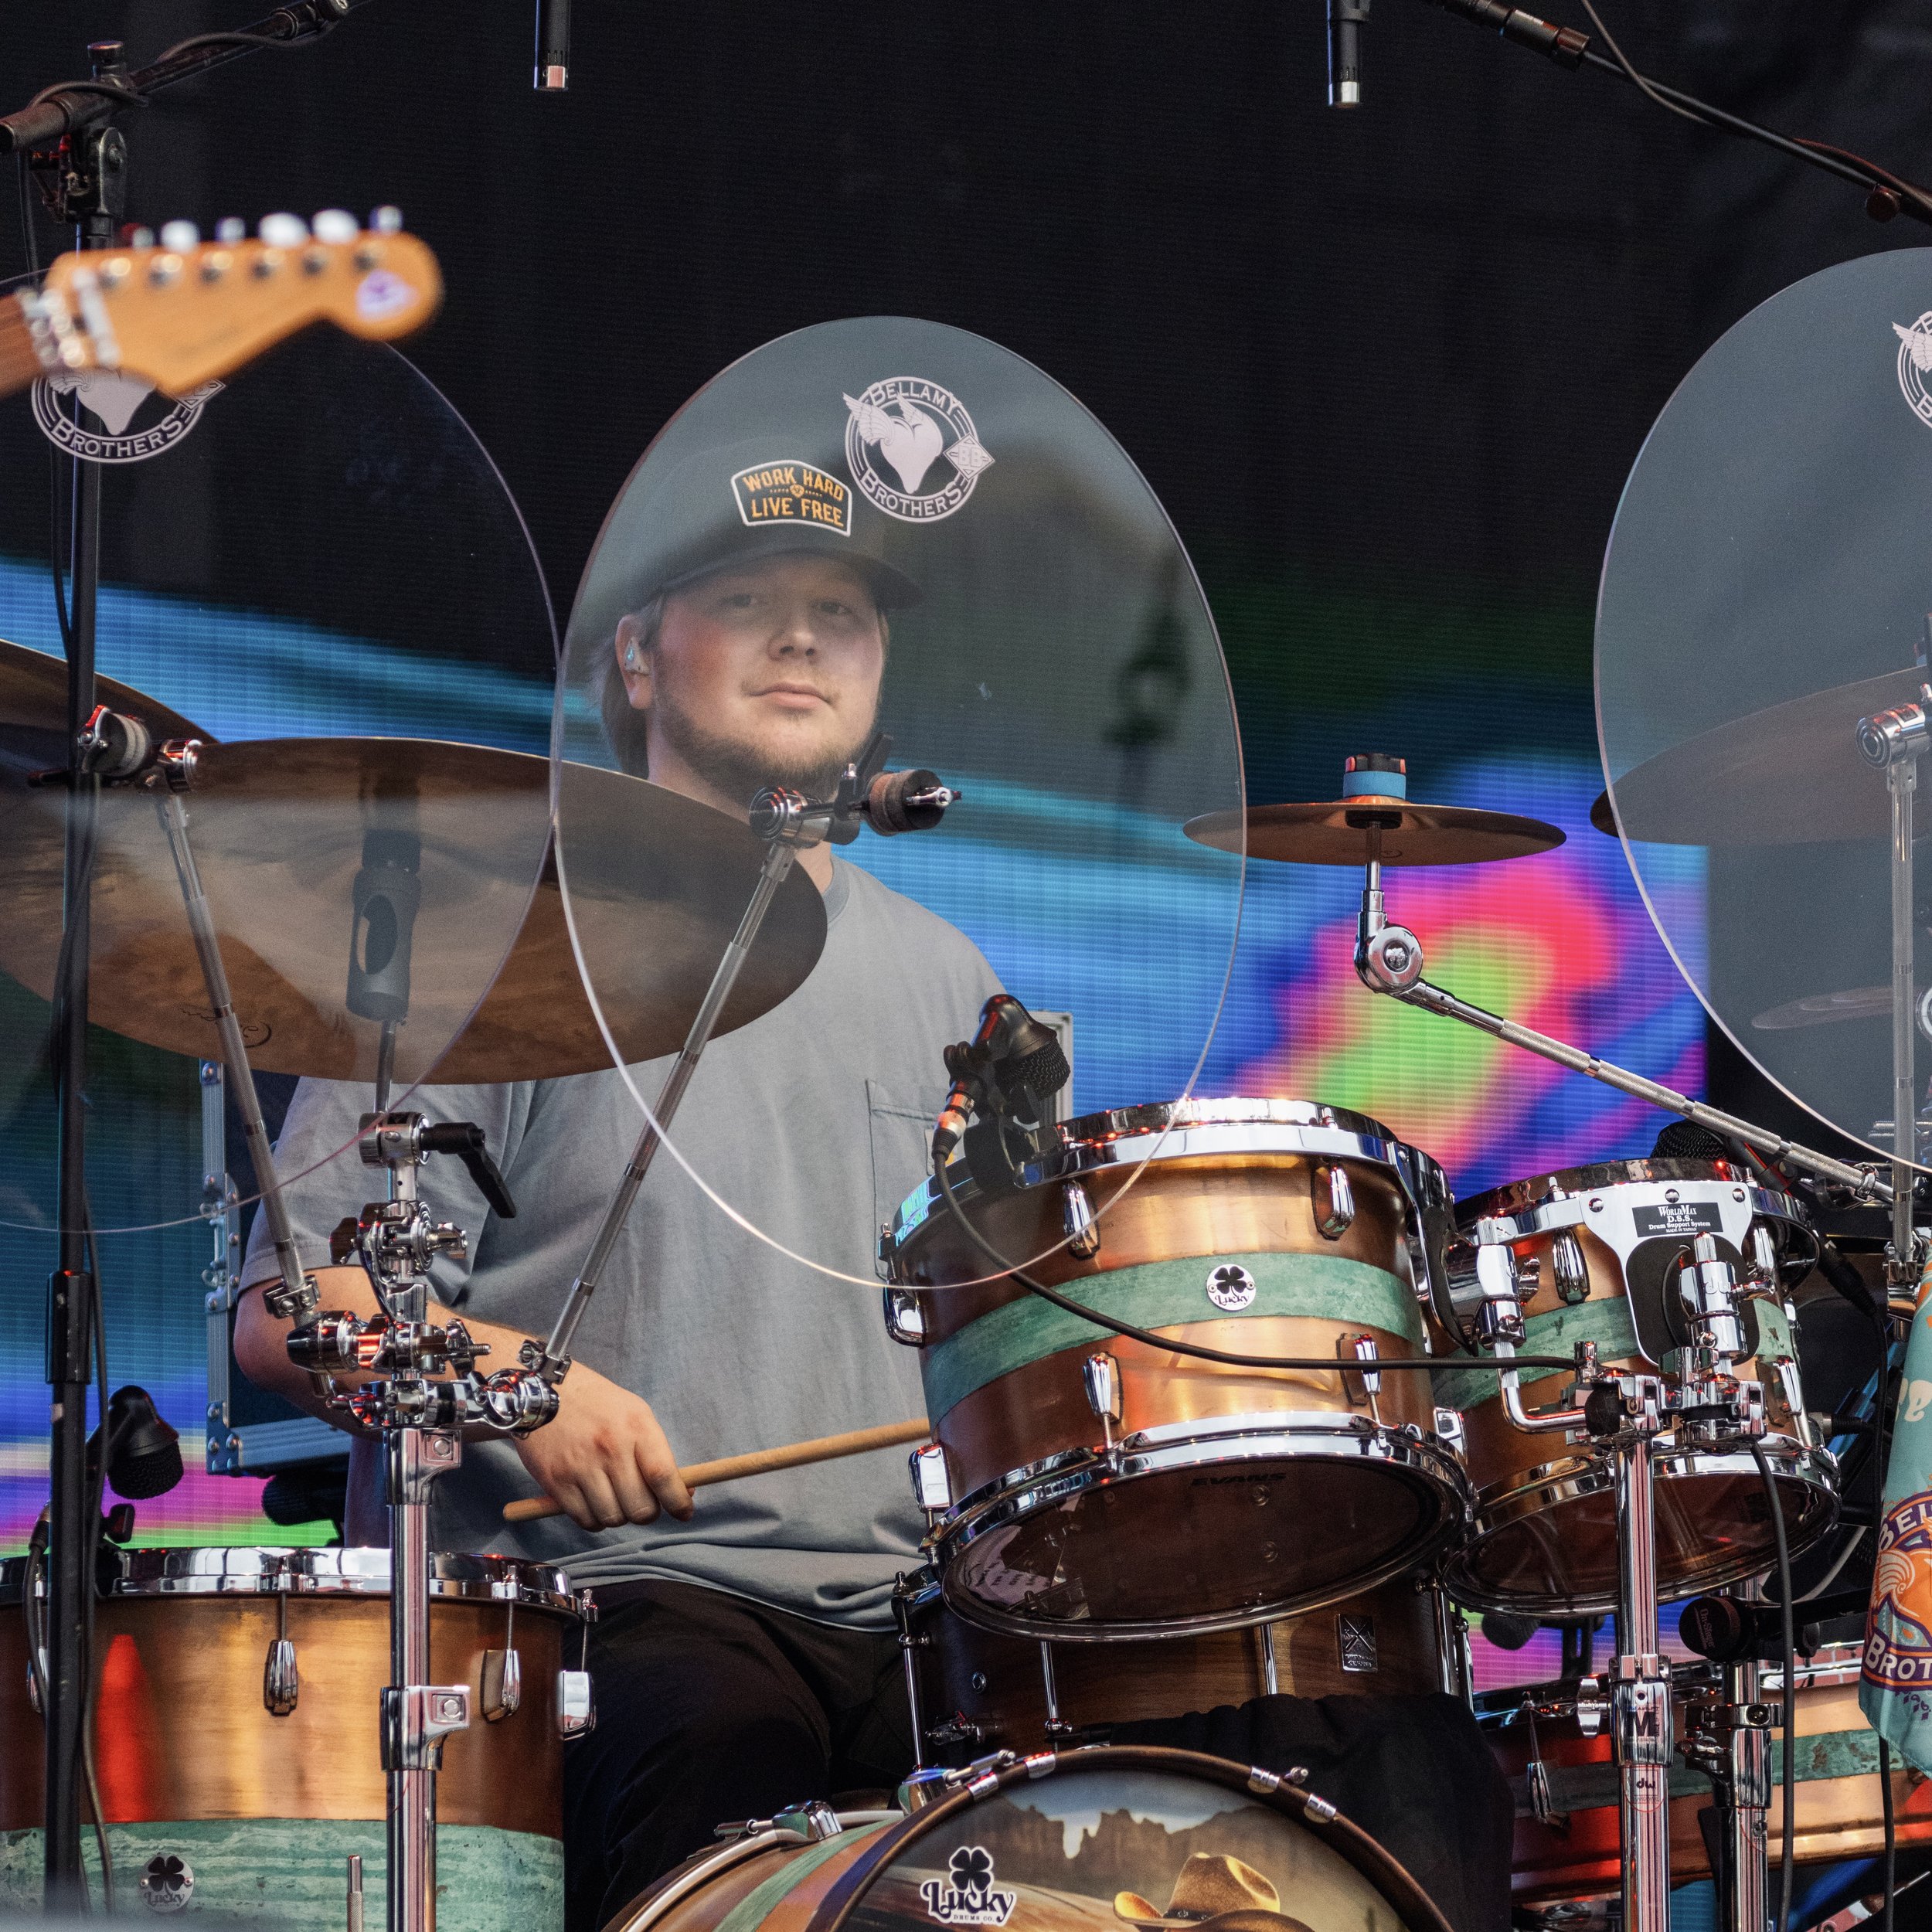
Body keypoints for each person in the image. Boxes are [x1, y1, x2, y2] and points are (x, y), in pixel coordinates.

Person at [235, 431, 1002, 1932]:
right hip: (610, 1608)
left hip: (918, 1617)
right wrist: (521, 1384)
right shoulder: (500, 934)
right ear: (640, 656)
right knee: (724, 1744)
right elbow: (289, 1315)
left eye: (840, 612)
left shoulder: (953, 978)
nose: (801, 639)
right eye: (749, 599)